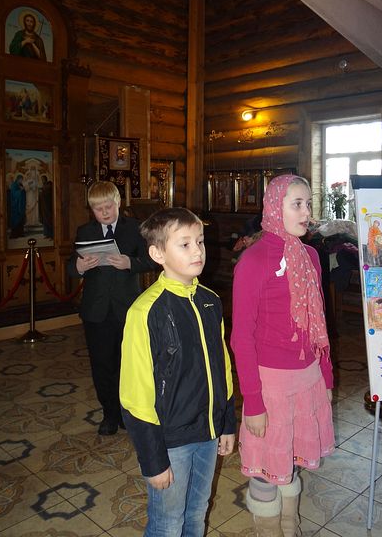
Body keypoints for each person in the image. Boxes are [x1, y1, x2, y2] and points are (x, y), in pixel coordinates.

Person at [120, 207, 236, 537]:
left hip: (208, 432)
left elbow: (223, 367)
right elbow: (135, 394)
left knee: (197, 513)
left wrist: (227, 422)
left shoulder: (210, 301)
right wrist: (152, 460)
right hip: (170, 441)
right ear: (158, 254)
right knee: (168, 522)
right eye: (184, 244)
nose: (197, 250)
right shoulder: (146, 311)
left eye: (200, 241)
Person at [231, 174, 334, 537]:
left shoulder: (311, 256)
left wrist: (326, 378)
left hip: (308, 379)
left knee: (292, 461)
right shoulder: (254, 260)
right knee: (266, 469)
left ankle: (290, 526)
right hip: (271, 386)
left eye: (308, 203)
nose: (307, 213)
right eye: (297, 204)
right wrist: (253, 403)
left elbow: (318, 323)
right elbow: (241, 338)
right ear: (276, 208)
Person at [67, 181, 154, 436]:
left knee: (129, 364)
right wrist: (80, 267)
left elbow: (151, 259)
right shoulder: (85, 231)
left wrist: (130, 263)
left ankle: (128, 412)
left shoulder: (135, 228)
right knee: (102, 364)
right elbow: (72, 267)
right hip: (96, 311)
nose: (104, 213)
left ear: (118, 202)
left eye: (108, 206)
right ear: (91, 209)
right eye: (98, 209)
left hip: (128, 308)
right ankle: (109, 413)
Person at [9, 174, 26, 238]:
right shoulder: (14, 185)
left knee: (21, 220)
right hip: (15, 206)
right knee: (15, 220)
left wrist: (23, 190)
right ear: (18, 179)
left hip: (21, 206)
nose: (21, 181)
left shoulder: (20, 185)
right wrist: (20, 190)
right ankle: (14, 234)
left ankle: (20, 233)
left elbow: (23, 193)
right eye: (21, 179)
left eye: (22, 180)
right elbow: (14, 194)